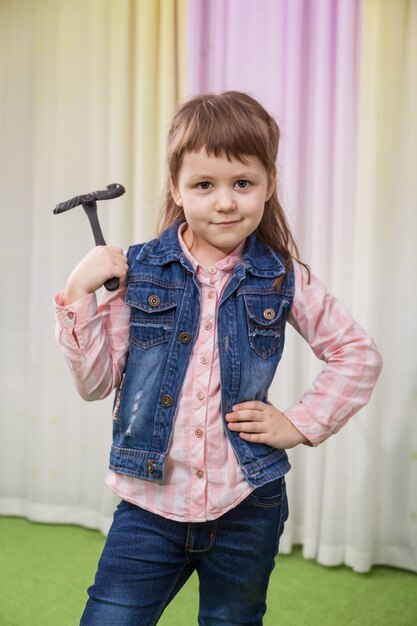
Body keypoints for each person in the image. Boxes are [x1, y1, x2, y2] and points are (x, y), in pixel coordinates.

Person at [54, 91, 383, 626]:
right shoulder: (136, 272)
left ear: (268, 185)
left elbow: (357, 355)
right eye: (205, 185)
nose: (225, 202)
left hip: (247, 505)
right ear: (176, 189)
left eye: (243, 184)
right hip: (148, 505)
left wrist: (299, 423)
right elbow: (94, 384)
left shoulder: (282, 277)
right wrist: (77, 295)